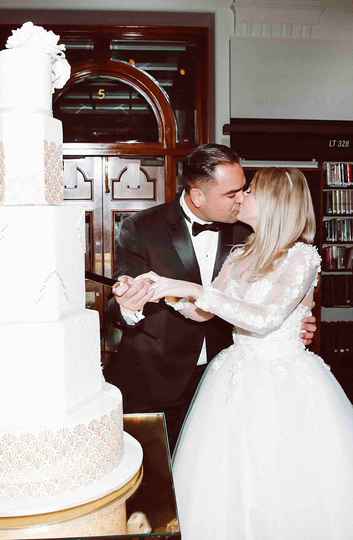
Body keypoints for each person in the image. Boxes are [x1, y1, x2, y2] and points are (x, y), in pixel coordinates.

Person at [136, 168, 353, 540]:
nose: (241, 197)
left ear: (273, 202)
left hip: (284, 383)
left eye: (249, 191)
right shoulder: (240, 253)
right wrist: (162, 292)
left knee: (283, 477)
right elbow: (205, 311)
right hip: (235, 375)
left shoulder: (301, 257)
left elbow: (264, 318)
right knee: (226, 479)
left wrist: (188, 287)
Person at [105, 145, 316, 451]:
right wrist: (141, 299)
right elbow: (119, 307)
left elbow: (271, 305)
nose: (241, 198)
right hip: (158, 378)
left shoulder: (251, 230)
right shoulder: (140, 228)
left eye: (245, 189)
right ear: (198, 196)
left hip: (231, 379)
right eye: (232, 194)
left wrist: (297, 319)